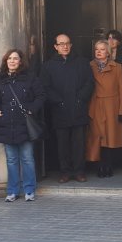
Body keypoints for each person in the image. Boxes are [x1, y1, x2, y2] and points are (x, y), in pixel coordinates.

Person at [41, 33, 94, 183]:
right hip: (60, 110)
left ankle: (79, 171)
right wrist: (58, 101)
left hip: (78, 109)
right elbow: (45, 87)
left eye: (67, 43)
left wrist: (80, 99)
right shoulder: (48, 65)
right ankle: (65, 172)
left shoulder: (82, 62)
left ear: (71, 45)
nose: (65, 46)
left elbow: (89, 83)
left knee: (79, 144)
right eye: (61, 44)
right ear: (55, 47)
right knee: (62, 144)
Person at [0, 48, 45, 202]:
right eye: (9, 58)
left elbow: (41, 96)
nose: (12, 61)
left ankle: (29, 190)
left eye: (15, 58)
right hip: (7, 123)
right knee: (11, 160)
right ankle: (12, 191)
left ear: (21, 61)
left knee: (27, 158)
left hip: (24, 124)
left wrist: (31, 109)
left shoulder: (30, 78)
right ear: (5, 61)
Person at [86, 39, 122, 177]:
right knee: (97, 136)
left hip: (112, 105)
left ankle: (108, 165)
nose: (99, 51)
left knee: (110, 137)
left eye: (102, 49)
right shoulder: (89, 66)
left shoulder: (117, 67)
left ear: (108, 52)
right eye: (97, 49)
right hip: (95, 104)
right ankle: (99, 165)